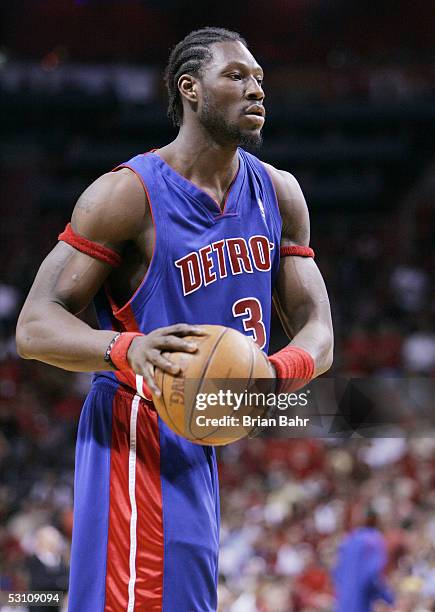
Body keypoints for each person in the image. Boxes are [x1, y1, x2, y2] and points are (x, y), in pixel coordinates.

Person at [16, 27, 333, 612]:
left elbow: (320, 330)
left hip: (201, 432)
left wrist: (271, 377)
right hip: (135, 424)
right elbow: (34, 326)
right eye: (236, 76)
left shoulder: (279, 194)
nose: (255, 89)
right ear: (190, 89)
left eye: (259, 78)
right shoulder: (126, 193)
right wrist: (123, 348)